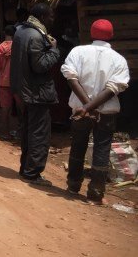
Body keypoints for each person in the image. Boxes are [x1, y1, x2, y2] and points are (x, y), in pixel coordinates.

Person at [61, 19, 130, 204]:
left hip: (79, 111)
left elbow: (70, 77)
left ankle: (73, 186)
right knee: (102, 149)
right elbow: (113, 88)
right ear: (111, 35)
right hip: (106, 113)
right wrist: (91, 108)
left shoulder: (78, 52)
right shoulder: (119, 59)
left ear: (91, 34)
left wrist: (85, 107)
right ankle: (95, 193)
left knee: (78, 146)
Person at [10, 3, 60, 186]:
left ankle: (26, 168)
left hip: (23, 90)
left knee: (28, 131)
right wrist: (54, 50)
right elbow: (40, 65)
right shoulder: (37, 35)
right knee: (39, 133)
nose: (53, 19)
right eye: (51, 16)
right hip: (36, 92)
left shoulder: (21, 30)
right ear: (43, 17)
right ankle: (32, 173)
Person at [0, 25, 21, 139]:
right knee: (21, 107)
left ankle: (5, 133)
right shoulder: (18, 46)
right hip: (18, 81)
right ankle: (21, 133)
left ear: (5, 33)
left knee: (5, 108)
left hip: (4, 81)